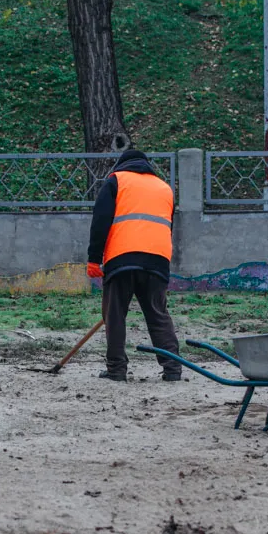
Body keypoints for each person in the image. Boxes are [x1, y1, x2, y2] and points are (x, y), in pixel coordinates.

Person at [86, 148, 182, 382]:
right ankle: (173, 369)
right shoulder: (164, 188)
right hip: (157, 260)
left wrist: (93, 259)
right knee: (158, 314)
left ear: (121, 165)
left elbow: (101, 220)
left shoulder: (116, 181)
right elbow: (166, 226)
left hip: (122, 258)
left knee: (115, 314)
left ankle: (117, 369)